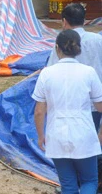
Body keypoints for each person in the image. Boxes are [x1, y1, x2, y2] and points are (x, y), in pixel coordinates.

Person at [33, 29, 102, 194]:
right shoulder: (89, 73)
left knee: (68, 186)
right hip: (85, 134)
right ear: (79, 49)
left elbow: (39, 111)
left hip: (57, 136)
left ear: (57, 48)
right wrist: (100, 134)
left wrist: (41, 136)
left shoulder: (46, 74)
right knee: (89, 181)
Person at [47, 3, 102, 131]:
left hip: (69, 103)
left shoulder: (60, 43)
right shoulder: (98, 40)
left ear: (64, 21)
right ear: (84, 20)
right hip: (95, 102)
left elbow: (51, 71)